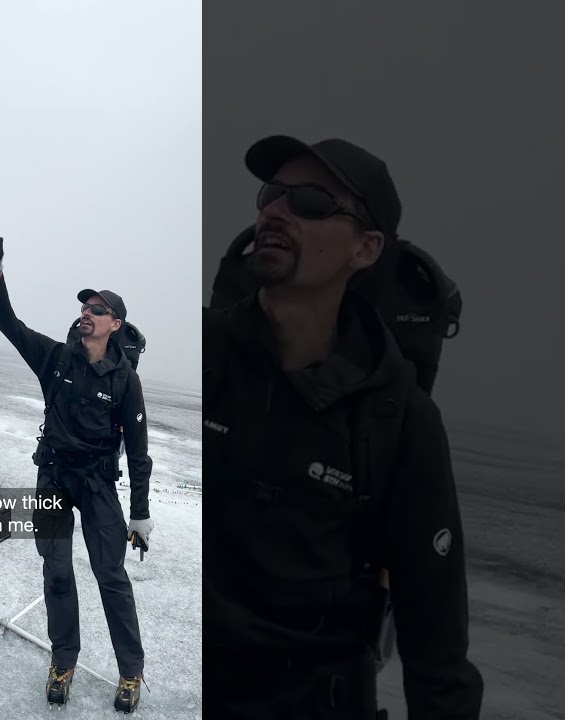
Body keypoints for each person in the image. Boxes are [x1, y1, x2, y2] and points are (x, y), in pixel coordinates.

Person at [204, 136, 485, 719]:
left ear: (366, 248)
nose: (275, 211)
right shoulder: (201, 357)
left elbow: (437, 648)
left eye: (309, 201)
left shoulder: (398, 419)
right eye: (272, 194)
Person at [0, 221, 153, 713]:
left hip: (97, 485)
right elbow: (6, 322)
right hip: (53, 475)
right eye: (84, 307)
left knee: (110, 573)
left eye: (97, 309)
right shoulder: (54, 358)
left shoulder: (124, 381)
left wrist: (139, 512)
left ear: (115, 323)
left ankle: (130, 673)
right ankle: (63, 660)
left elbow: (138, 451)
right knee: (56, 571)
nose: (86, 314)